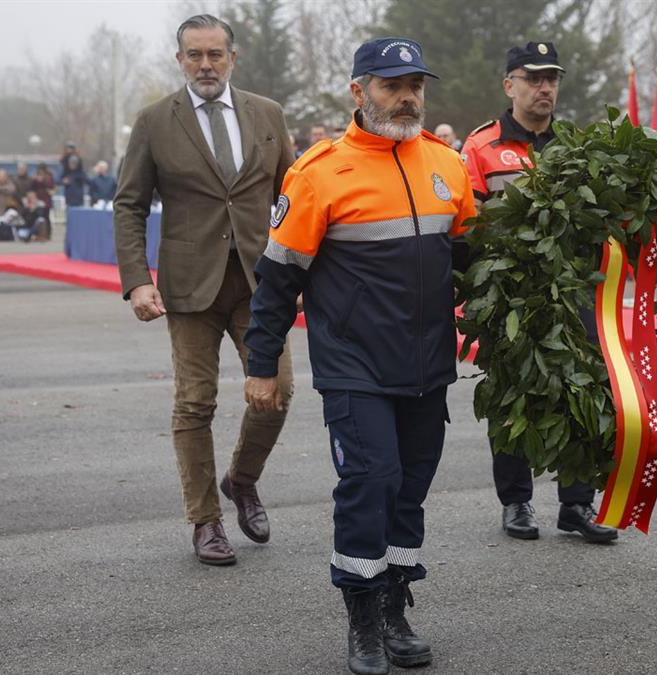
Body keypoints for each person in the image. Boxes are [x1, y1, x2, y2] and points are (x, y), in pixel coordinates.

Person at [243, 37, 475, 675]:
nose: (405, 96)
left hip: (428, 366)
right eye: (390, 84)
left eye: (415, 85)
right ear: (358, 91)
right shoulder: (317, 172)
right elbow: (277, 281)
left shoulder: (447, 165)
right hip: (355, 368)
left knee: (409, 490)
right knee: (369, 484)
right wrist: (261, 365)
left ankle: (397, 605)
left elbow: (473, 260)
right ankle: (364, 618)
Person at [114, 13, 296, 566]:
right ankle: (205, 522)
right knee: (195, 404)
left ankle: (242, 479)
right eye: (194, 55)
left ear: (232, 57)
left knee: (278, 391)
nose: (206, 64)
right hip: (188, 288)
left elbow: (291, 196)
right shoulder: (154, 121)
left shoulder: (268, 114)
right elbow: (129, 205)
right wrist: (137, 281)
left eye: (215, 54)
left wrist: (304, 272)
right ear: (180, 60)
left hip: (260, 282)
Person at [460, 42, 619, 545]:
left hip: (574, 294)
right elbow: (468, 226)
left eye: (552, 78)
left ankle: (576, 503)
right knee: (513, 397)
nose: (545, 87)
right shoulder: (481, 147)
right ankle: (516, 502)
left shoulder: (576, 145)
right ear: (510, 85)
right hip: (512, 298)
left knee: (583, 390)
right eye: (534, 78)